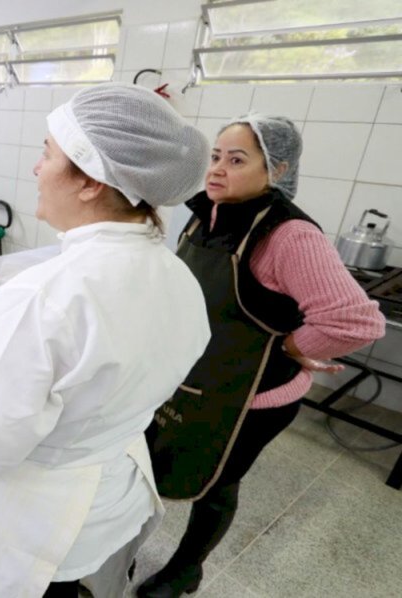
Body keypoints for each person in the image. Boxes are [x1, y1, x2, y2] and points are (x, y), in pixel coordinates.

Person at [0, 83, 214, 598]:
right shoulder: (178, 278)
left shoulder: (40, 298)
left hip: (39, 530)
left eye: (47, 153)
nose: (36, 169)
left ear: (89, 184)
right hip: (112, 500)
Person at [136, 115, 386, 598]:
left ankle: (186, 570)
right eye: (215, 157)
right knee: (159, 466)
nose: (217, 169)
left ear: (276, 170)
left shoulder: (288, 235)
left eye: (236, 160)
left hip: (253, 397)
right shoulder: (205, 215)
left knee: (216, 485)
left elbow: (357, 321)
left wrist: (293, 346)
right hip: (192, 382)